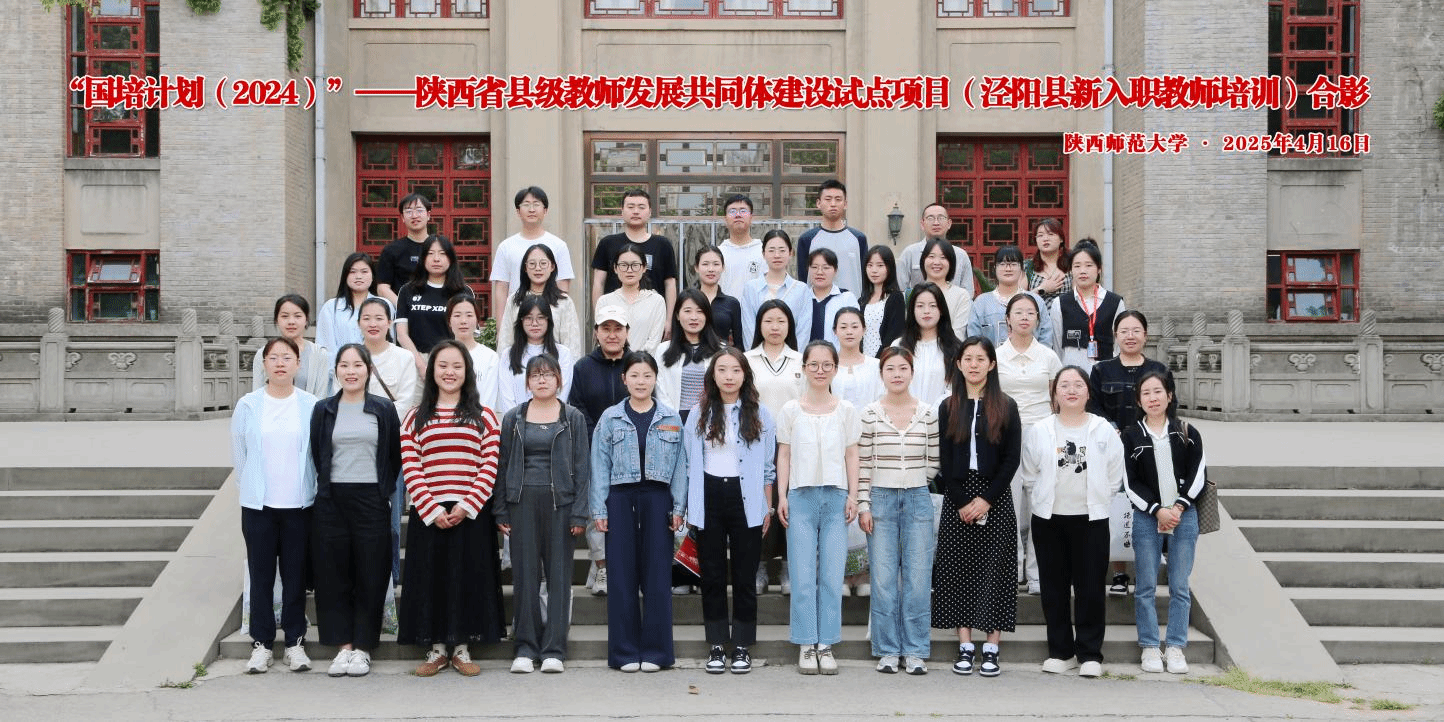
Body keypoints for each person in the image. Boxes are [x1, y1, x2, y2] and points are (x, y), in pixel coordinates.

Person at [396, 340, 505, 678]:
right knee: (432, 580)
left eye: (457, 366)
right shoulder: (415, 417)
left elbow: (489, 465)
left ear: (467, 372)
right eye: (442, 365)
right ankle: (437, 650)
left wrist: (467, 505)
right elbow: (411, 465)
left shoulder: (485, 416)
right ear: (432, 371)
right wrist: (430, 508)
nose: (449, 372)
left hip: (470, 513)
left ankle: (461, 649)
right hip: (429, 513)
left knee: (467, 579)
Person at [1017, 366, 1125, 679]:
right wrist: (1043, 500)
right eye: (1064, 385)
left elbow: (1115, 475)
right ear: (1054, 394)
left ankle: (1090, 653)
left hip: (1091, 520)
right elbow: (1029, 475)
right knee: (1054, 588)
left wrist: (1099, 497)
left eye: (1078, 384)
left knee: (1090, 588)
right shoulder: (1041, 430)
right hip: (1049, 520)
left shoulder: (1103, 430)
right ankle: (1061, 652)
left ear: (1088, 392)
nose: (1071, 390)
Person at [590, 351, 689, 672]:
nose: (641, 381)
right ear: (624, 379)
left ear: (656, 378)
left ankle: (657, 653)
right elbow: (599, 465)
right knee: (621, 577)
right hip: (620, 499)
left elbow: (681, 467)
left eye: (647, 375)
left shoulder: (671, 418)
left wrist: (679, 506)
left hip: (658, 500)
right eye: (634, 375)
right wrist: (599, 508)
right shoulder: (610, 418)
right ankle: (625, 652)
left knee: (657, 577)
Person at [308, 344, 401, 678]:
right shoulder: (323, 409)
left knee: (370, 573)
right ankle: (343, 647)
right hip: (331, 499)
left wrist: (381, 492)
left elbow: (394, 456)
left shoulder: (383, 409)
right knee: (333, 575)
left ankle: (363, 647)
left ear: (368, 370)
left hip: (371, 499)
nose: (351, 371)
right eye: (344, 365)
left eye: (357, 365)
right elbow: (317, 453)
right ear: (336, 371)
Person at [494, 354, 591, 674]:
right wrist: (500, 509)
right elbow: (503, 465)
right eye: (535, 375)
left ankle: (554, 649)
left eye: (548, 374)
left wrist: (580, 513)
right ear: (527, 382)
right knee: (525, 577)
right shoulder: (514, 418)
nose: (542, 379)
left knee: (559, 578)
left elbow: (582, 467)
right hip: (521, 503)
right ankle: (525, 647)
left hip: (560, 505)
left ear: (559, 380)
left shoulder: (572, 417)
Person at [932, 337, 1023, 678]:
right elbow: (944, 459)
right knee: (959, 571)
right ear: (958, 364)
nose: (973, 364)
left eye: (980, 359)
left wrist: (986, 500)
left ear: (992, 364)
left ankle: (992, 647)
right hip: (958, 497)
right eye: (967, 358)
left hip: (995, 496)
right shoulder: (948, 406)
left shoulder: (1007, 406)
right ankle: (966, 645)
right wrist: (961, 502)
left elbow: (1011, 459)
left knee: (995, 572)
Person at [685, 347, 776, 675]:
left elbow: (767, 468)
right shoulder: (698, 412)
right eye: (722, 370)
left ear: (745, 375)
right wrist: (687, 506)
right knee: (711, 575)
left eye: (735, 370)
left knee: (744, 575)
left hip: (746, 498)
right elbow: (688, 463)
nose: (728, 376)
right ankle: (716, 644)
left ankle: (741, 646)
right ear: (713, 375)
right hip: (709, 495)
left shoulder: (761, 414)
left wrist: (766, 507)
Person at [233, 336, 320, 674]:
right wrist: (252, 490)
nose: (280, 363)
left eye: (287, 357)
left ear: (298, 364)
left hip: (299, 505)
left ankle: (295, 642)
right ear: (264, 364)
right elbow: (240, 456)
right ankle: (262, 643)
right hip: (259, 507)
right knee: (261, 576)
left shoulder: (311, 405)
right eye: (273, 358)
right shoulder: (248, 405)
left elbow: (316, 455)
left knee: (296, 576)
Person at [777, 340, 862, 675]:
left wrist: (853, 495)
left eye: (827, 365)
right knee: (801, 575)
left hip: (836, 497)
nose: (820, 370)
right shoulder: (790, 410)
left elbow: (852, 454)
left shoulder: (846, 410)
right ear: (804, 369)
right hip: (800, 497)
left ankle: (826, 644)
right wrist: (782, 496)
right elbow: (784, 454)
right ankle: (805, 643)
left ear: (835, 369)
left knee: (831, 575)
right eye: (813, 364)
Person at [857, 346, 938, 676]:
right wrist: (864, 504)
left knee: (918, 578)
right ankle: (888, 650)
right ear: (881, 374)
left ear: (912, 373)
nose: (897, 374)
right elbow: (863, 463)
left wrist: (914, 481)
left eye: (903, 368)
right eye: (890, 368)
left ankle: (916, 650)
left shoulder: (928, 413)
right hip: (880, 499)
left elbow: (934, 461)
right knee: (884, 579)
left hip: (918, 498)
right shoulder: (869, 413)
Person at [1123, 371, 1206, 675]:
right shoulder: (1130, 435)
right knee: (1145, 585)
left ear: (1169, 396)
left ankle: (1175, 646)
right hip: (1148, 517)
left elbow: (1199, 474)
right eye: (1146, 393)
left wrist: (1179, 506)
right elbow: (1129, 482)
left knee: (1180, 586)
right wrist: (1157, 509)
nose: (1153, 398)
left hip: (1184, 517)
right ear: (1138, 400)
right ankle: (1149, 646)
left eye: (1158, 391)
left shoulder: (1187, 431)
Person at [994, 293, 1063, 596]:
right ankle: (1012, 569)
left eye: (1030, 313)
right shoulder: (995, 356)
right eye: (1018, 312)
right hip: (1005, 435)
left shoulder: (1048, 356)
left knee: (1040, 505)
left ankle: (1037, 573)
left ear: (1038, 319)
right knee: (1007, 505)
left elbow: (1057, 400)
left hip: (1042, 435)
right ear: (1007, 319)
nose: (1024, 317)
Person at [568, 306, 632, 597]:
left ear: (627, 332)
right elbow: (577, 406)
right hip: (594, 447)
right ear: (596, 333)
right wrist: (600, 438)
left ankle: (605, 565)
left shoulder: (636, 362)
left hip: (632, 449)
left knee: (624, 511)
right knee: (597, 509)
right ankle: (602, 566)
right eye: (606, 329)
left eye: (618, 329)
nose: (612, 335)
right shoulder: (583, 367)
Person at [356, 298, 420, 586]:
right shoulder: (350, 355)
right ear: (359, 323)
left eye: (379, 318)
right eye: (367, 318)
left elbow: (405, 405)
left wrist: (366, 414)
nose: (373, 324)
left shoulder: (403, 358)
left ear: (389, 323)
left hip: (391, 448)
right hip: (355, 449)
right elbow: (341, 399)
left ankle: (390, 579)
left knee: (391, 518)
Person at [744, 299, 804, 595]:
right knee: (759, 505)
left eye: (781, 321)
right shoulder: (747, 360)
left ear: (790, 325)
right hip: (754, 442)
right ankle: (759, 565)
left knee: (790, 504)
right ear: (759, 325)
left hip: (794, 446)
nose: (775, 327)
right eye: (768, 321)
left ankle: (788, 567)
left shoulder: (801, 360)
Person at [592, 189, 679, 328]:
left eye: (641, 207)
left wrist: (669, 320)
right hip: (614, 320)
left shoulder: (663, 244)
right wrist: (599, 320)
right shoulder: (607, 243)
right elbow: (598, 283)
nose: (636, 211)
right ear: (622, 211)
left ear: (649, 212)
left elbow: (670, 284)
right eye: (631, 207)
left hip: (652, 319)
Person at [489, 186, 575, 320]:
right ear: (518, 211)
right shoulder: (505, 247)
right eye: (526, 205)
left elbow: (562, 287)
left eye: (536, 204)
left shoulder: (559, 246)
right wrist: (501, 326)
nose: (531, 209)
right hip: (516, 316)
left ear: (545, 210)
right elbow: (501, 289)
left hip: (549, 317)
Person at [395, 236, 474, 374]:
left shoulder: (463, 291)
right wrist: (420, 365)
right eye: (430, 253)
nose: (436, 259)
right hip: (415, 361)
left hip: (452, 362)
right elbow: (401, 334)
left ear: (450, 258)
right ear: (423, 258)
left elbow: (468, 334)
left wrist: (451, 362)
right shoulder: (407, 290)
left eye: (442, 253)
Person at [1049, 240, 1126, 374]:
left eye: (1089, 265)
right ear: (1071, 270)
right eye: (1077, 266)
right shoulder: (1060, 303)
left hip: (1106, 375)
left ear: (1099, 269)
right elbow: (1057, 346)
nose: (1083, 271)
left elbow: (1120, 344)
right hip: (1072, 377)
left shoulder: (1115, 302)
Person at [1088, 310, 1172, 432]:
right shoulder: (1100, 370)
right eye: (1124, 332)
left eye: (1136, 331)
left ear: (1145, 335)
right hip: (1111, 437)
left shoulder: (1160, 370)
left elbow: (1170, 407)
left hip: (1150, 437)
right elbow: (1093, 406)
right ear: (1116, 336)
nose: (1130, 336)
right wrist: (1111, 428)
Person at [497, 243, 583, 354]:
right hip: (520, 362)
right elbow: (505, 342)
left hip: (554, 362)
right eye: (532, 264)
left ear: (552, 267)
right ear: (525, 268)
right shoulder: (514, 300)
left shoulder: (564, 302)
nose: (538, 268)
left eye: (543, 263)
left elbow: (572, 345)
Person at [496, 297, 576, 414]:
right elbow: (506, 398)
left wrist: (546, 419)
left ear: (548, 320)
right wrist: (519, 421)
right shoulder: (508, 355)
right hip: (517, 421)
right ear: (521, 321)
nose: (534, 323)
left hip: (554, 420)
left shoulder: (563, 354)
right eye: (529, 318)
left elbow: (562, 393)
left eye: (540, 318)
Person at [657, 288, 723, 421]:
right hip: (673, 418)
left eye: (700, 311)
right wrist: (672, 418)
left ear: (707, 316)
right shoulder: (663, 350)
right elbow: (659, 388)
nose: (694, 317)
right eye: (687, 311)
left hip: (711, 418)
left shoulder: (721, 350)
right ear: (677, 315)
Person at [893, 283, 962, 408]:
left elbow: (957, 390)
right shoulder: (898, 346)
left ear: (941, 310)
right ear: (912, 310)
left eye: (933, 306)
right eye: (920, 306)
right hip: (904, 415)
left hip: (943, 416)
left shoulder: (955, 348)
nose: (926, 311)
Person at [968, 245, 1053, 348]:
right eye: (1002, 264)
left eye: (1013, 264)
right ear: (994, 268)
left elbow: (1046, 337)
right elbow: (973, 339)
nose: (1008, 268)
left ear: (1021, 269)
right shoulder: (981, 302)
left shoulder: (1036, 301)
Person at [796, 179, 868, 297]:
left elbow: (866, 278)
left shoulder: (859, 238)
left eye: (838, 199)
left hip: (852, 306)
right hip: (816, 305)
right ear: (818, 203)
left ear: (845, 204)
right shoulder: (807, 239)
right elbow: (803, 279)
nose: (833, 204)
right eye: (828, 199)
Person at [740, 230, 810, 349]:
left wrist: (795, 357)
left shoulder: (801, 290)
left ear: (791, 253)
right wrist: (756, 356)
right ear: (763, 254)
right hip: (758, 356)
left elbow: (803, 332)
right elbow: (749, 329)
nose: (777, 255)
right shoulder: (751, 288)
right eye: (771, 250)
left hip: (792, 357)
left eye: (782, 250)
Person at [252, 294, 331, 397]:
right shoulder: (262, 354)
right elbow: (257, 395)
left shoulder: (319, 354)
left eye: (297, 316)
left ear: (306, 320)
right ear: (276, 320)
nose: (291, 322)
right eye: (285, 316)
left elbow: (321, 396)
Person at [316, 253, 388, 364]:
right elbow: (325, 348)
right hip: (341, 371)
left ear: (373, 276)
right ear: (345, 276)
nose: (358, 276)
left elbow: (389, 343)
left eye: (364, 272)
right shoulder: (331, 307)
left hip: (378, 369)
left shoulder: (384, 305)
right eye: (352, 272)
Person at [595, 243, 667, 354]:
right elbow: (602, 339)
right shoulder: (604, 301)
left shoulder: (657, 301)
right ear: (615, 268)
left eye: (635, 265)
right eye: (624, 265)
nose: (629, 270)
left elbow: (654, 342)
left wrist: (636, 361)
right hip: (612, 361)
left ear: (644, 267)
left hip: (645, 362)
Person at [376, 192, 441, 305]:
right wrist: (404, 307)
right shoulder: (391, 250)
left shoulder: (440, 247)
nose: (414, 215)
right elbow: (382, 287)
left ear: (428, 215)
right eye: (409, 211)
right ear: (402, 217)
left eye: (419, 210)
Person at [898, 202, 974, 294]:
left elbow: (968, 292)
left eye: (941, 218)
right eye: (930, 218)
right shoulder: (909, 253)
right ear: (922, 224)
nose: (936, 223)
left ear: (949, 223)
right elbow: (900, 290)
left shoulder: (961, 255)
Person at [799, 248, 861, 349]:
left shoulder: (846, 298)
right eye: (814, 267)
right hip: (804, 357)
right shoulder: (800, 298)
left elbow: (855, 331)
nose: (819, 272)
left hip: (837, 357)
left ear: (835, 271)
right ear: (808, 269)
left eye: (826, 268)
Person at [447, 295, 500, 411]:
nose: (463, 321)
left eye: (469, 315)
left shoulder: (490, 357)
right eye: (457, 315)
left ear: (477, 320)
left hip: (479, 418)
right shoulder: (441, 356)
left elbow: (488, 400)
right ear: (449, 321)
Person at [831, 307, 884, 418]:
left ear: (864, 330)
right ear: (835, 331)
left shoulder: (876, 366)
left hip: (870, 426)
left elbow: (883, 401)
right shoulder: (827, 367)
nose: (849, 332)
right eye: (843, 327)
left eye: (855, 327)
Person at [692, 244, 746, 347]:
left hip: (721, 355)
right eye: (705, 264)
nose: (711, 269)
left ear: (723, 267)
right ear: (696, 268)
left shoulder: (732, 303)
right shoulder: (688, 300)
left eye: (716, 264)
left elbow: (738, 344)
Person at [918, 238, 971, 341]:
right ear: (923, 260)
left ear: (951, 263)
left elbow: (958, 334)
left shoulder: (961, 295)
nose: (937, 262)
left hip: (950, 349)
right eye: (931, 256)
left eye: (943, 257)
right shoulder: (912, 293)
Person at [859, 245, 905, 358]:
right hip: (863, 360)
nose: (874, 270)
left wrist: (877, 360)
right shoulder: (862, 300)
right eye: (870, 265)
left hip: (885, 360)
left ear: (889, 268)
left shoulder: (895, 297)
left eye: (880, 265)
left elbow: (893, 335)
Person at [717, 194, 764, 295]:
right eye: (732, 211)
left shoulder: (764, 252)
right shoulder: (718, 253)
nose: (738, 215)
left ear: (751, 218)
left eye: (743, 211)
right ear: (725, 219)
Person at [1026, 218, 1071, 303]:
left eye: (1051, 234)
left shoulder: (1072, 264)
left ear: (1061, 239)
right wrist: (1042, 289)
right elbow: (1019, 300)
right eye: (1040, 235)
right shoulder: (1027, 266)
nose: (1045, 239)